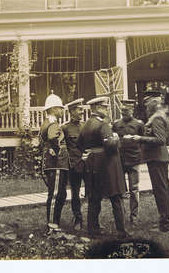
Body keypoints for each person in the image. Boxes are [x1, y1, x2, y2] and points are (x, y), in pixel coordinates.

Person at [77, 96, 129, 238]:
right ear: (97, 109)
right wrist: (117, 139)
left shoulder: (86, 125)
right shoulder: (103, 124)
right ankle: (122, 231)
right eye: (104, 107)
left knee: (94, 198)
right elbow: (110, 146)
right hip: (108, 166)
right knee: (116, 198)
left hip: (92, 166)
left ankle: (92, 230)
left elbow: (79, 144)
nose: (106, 109)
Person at [130, 96, 169, 232]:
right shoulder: (160, 116)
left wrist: (140, 138)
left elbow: (161, 140)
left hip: (157, 159)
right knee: (163, 190)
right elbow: (168, 140)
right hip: (159, 158)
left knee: (161, 191)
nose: (146, 106)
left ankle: (166, 225)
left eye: (147, 103)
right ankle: (165, 221)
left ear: (154, 103)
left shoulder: (156, 118)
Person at [39, 91, 69, 232]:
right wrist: (56, 150)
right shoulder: (53, 123)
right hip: (56, 163)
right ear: (52, 109)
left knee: (61, 194)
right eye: (59, 107)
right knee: (56, 194)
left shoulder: (49, 122)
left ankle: (55, 222)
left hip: (55, 163)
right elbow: (52, 138)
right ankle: (52, 225)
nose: (62, 110)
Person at [112, 99, 144, 226]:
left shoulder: (139, 124)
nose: (125, 112)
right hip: (120, 160)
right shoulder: (116, 124)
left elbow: (142, 141)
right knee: (120, 190)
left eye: (127, 110)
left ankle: (134, 217)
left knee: (134, 189)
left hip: (134, 160)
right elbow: (113, 139)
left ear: (133, 110)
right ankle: (122, 215)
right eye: (123, 110)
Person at [62, 98, 86, 230]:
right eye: (79, 109)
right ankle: (78, 218)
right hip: (74, 166)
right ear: (71, 112)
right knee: (75, 194)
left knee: (92, 192)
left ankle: (93, 220)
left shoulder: (85, 126)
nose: (81, 112)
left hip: (87, 164)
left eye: (82, 109)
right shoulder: (65, 128)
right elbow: (63, 148)